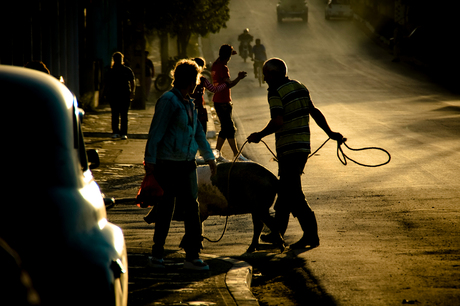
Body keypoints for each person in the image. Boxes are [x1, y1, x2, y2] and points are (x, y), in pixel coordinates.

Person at [247, 58, 344, 249]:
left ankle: (311, 235)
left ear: (274, 74)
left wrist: (259, 135)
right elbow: (314, 111)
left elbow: (278, 121)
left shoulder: (275, 91)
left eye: (266, 74)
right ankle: (277, 234)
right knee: (285, 192)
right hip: (302, 148)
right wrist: (330, 133)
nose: (264, 78)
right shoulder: (299, 86)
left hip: (289, 148)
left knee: (293, 193)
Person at [144, 59, 217, 271]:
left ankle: (192, 256)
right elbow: (156, 133)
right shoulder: (168, 101)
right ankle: (157, 254)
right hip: (167, 164)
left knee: (192, 209)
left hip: (187, 165)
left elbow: (198, 134)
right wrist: (150, 162)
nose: (198, 84)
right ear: (190, 80)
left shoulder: (189, 103)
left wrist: (210, 158)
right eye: (196, 79)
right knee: (165, 208)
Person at [211, 45, 249, 162]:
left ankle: (217, 153)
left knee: (225, 128)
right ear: (227, 56)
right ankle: (237, 154)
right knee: (230, 128)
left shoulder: (215, 64)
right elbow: (229, 84)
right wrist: (239, 77)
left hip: (218, 100)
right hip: (223, 101)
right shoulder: (223, 68)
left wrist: (229, 53)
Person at [190, 57, 229, 134]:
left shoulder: (185, 78)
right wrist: (225, 84)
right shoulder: (202, 79)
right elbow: (214, 89)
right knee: (201, 132)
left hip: (188, 109)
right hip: (199, 109)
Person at [103, 52, 135, 139]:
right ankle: (120, 132)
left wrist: (132, 92)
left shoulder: (125, 70)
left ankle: (119, 132)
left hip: (121, 95)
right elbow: (106, 83)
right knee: (120, 114)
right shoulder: (112, 71)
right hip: (117, 95)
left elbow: (132, 81)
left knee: (118, 114)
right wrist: (132, 92)